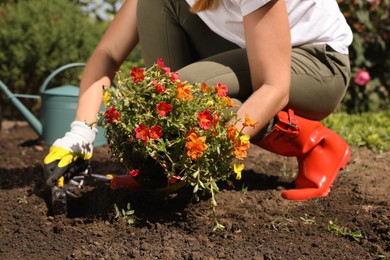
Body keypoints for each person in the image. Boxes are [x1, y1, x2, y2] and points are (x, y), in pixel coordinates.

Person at [44, 0, 353, 200]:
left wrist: (211, 152)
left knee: (179, 94)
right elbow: (108, 54)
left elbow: (273, 87)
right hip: (247, 46)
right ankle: (164, 166)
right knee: (155, 10)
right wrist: (81, 133)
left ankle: (315, 143)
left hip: (317, 63)